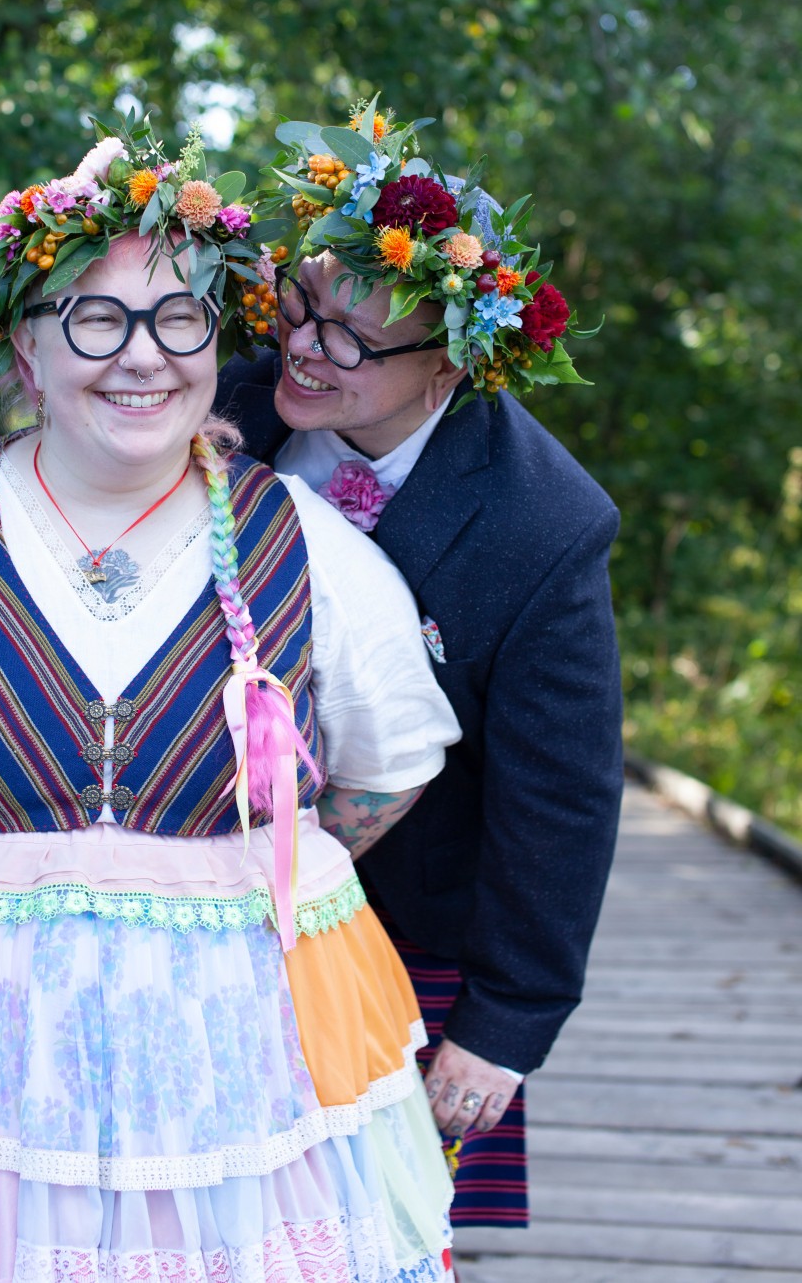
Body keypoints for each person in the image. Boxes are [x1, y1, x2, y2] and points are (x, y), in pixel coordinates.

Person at [0, 119, 464, 1283]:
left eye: (178, 318)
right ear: (24, 354)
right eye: (94, 319)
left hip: (229, 1064)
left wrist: (239, 869)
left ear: (212, 340)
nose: (143, 356)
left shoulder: (303, 543)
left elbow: (392, 759)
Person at [216, 100, 624, 1230]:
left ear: (448, 363)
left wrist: (504, 1027)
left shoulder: (544, 527)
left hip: (411, 931)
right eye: (304, 308)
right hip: (194, 894)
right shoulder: (220, 410)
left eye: (351, 338)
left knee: (388, 1229)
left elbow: (565, 797)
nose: (303, 345)